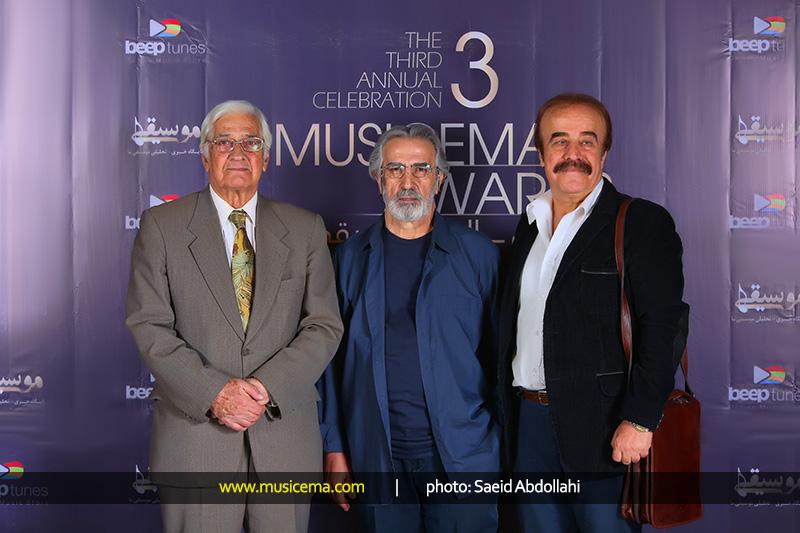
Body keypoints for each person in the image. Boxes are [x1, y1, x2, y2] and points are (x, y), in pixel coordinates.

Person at [126, 99, 343, 533]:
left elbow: (323, 326)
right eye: (225, 142)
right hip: (195, 443)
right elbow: (149, 325)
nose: (239, 153)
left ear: (266, 157)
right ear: (205, 156)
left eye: (251, 142)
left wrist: (263, 387)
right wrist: (216, 393)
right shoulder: (162, 226)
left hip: (283, 440)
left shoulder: (305, 229)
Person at [496, 93, 688, 532]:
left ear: (604, 152)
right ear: (541, 154)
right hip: (529, 427)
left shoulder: (640, 222)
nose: (573, 154)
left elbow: (664, 327)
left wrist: (640, 418)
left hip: (604, 429)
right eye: (559, 141)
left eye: (587, 140)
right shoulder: (529, 225)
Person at [318, 123, 500, 532]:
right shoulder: (349, 260)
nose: (408, 181)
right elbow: (329, 364)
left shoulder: (478, 256)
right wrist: (335, 446)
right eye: (395, 169)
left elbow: (501, 358)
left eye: (421, 169)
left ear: (439, 179)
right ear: (378, 178)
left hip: (463, 459)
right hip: (377, 458)